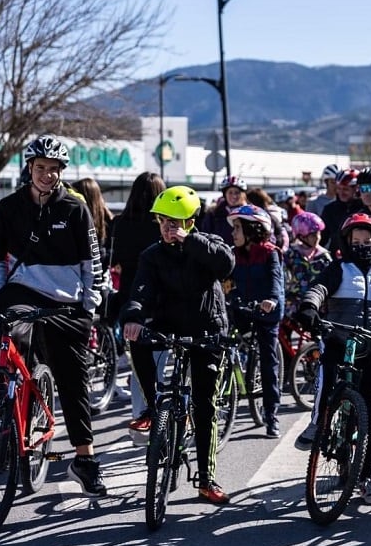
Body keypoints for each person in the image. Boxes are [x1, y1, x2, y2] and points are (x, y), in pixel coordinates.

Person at [0, 134, 107, 496]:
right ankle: (0, 425)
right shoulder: (7, 208)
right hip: (22, 293)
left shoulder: (75, 209)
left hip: (67, 303)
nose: (47, 176)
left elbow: (92, 263)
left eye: (54, 170)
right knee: (5, 354)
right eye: (41, 168)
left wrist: (90, 304)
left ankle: (84, 461)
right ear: (29, 169)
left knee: (74, 381)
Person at [120, 186, 235, 504]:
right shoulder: (152, 255)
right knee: (138, 341)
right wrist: (133, 317)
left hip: (207, 330)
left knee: (204, 406)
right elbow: (139, 292)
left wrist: (190, 240)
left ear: (190, 221)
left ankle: (207, 479)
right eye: (162, 221)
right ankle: (153, 408)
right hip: (168, 323)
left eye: (174, 222)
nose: (167, 228)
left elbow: (225, 265)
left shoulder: (208, 243)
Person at [292, 213, 371, 505]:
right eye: (356, 241)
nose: (362, 245)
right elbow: (318, 289)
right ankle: (317, 424)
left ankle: (366, 477)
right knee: (326, 380)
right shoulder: (338, 269)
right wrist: (310, 306)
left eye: (367, 240)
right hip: (339, 341)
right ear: (346, 243)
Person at [110, 173, 167, 432]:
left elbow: (115, 261)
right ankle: (158, 415)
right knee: (159, 360)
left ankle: (140, 415)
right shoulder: (161, 225)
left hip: (130, 297)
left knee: (138, 364)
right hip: (161, 297)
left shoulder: (120, 223)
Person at [226, 204, 285, 438]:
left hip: (264, 313)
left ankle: (272, 416)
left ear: (252, 230)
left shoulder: (270, 252)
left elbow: (276, 283)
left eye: (237, 228)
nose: (233, 233)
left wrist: (271, 300)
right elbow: (225, 281)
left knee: (268, 362)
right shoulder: (233, 253)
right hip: (240, 310)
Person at [284, 211, 330, 311]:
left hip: (316, 307)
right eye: (313, 235)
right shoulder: (291, 255)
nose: (317, 237)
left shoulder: (325, 257)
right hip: (292, 308)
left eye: (319, 233)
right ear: (301, 236)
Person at [198, 175, 249, 245]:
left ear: (242, 194)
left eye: (237, 192)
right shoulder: (213, 213)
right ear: (225, 194)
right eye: (230, 192)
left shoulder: (249, 213)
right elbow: (205, 235)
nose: (234, 196)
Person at [323, 169, 361, 255]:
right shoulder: (329, 210)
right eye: (339, 188)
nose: (341, 192)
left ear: (357, 189)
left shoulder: (365, 210)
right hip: (336, 260)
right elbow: (322, 238)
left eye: (345, 189)